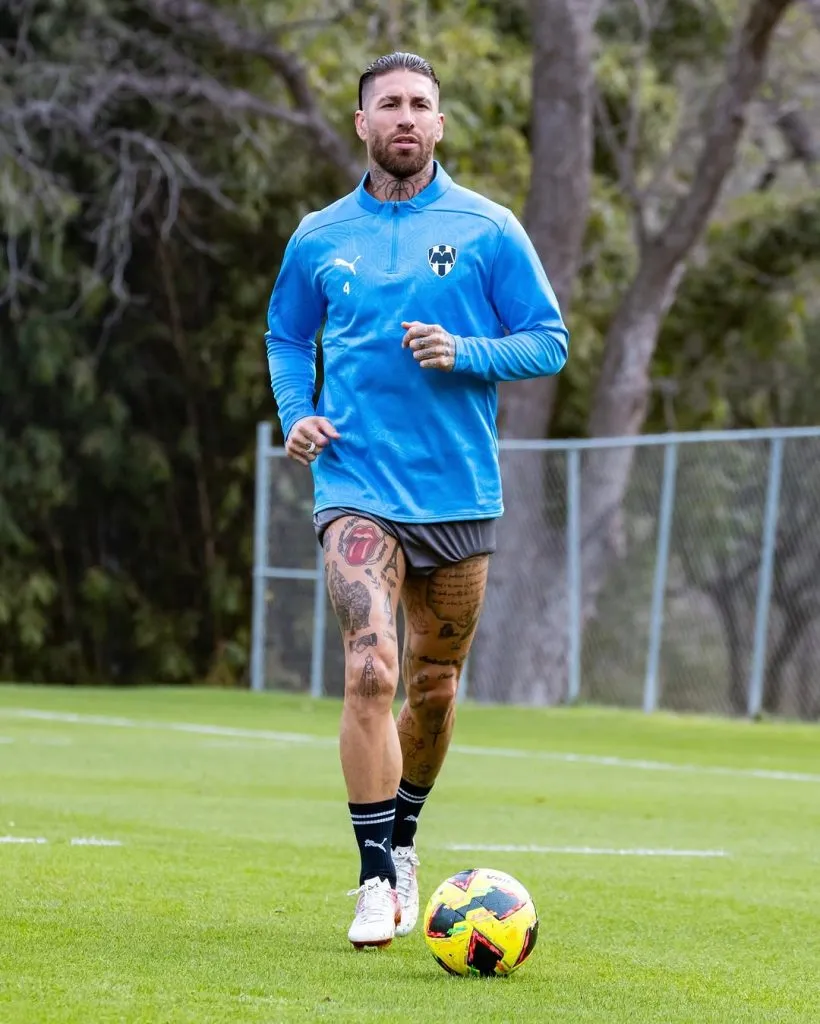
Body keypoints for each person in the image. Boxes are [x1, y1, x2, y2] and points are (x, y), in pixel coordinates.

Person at [265, 51, 568, 949]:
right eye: (389, 103)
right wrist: (297, 412)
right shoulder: (318, 236)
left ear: (439, 123)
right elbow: (287, 335)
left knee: (433, 690)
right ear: (362, 123)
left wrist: (465, 351)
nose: (405, 116)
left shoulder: (489, 228)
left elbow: (548, 340)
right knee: (371, 669)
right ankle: (372, 881)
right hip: (355, 484)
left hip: (458, 493)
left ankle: (402, 839)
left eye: (420, 103)